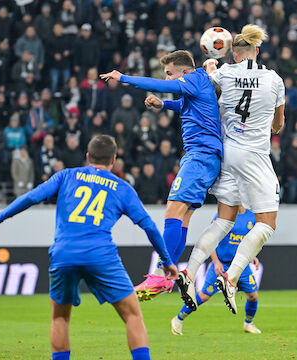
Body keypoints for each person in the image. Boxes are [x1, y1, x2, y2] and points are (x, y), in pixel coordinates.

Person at [0, 135, 178, 360]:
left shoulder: (66, 175)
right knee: (132, 316)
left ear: (88, 157)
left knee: (60, 318)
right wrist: (167, 261)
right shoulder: (122, 188)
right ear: (114, 159)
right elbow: (149, 226)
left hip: (64, 254)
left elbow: (31, 197)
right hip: (101, 255)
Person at [176, 25, 285, 314]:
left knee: (224, 220)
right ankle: (231, 276)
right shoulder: (274, 79)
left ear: (233, 53)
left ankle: (189, 272)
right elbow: (278, 125)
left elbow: (204, 93)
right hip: (254, 156)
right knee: (267, 223)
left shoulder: (223, 74)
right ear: (257, 51)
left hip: (227, 153)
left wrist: (211, 66)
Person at [100, 50, 222, 301]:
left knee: (172, 211)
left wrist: (123, 78)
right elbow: (188, 106)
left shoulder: (196, 79)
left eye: (169, 74)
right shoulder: (198, 84)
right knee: (183, 216)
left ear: (184, 72)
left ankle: (159, 273)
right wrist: (164, 104)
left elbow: (155, 84)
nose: (166, 80)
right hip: (205, 157)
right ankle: (168, 276)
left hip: (200, 156)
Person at [172, 208, 261, 336]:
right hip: (222, 263)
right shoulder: (225, 213)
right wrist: (216, 261)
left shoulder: (251, 216)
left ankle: (248, 323)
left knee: (253, 296)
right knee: (204, 296)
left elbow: (248, 241)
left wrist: (252, 256)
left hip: (240, 264)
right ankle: (178, 319)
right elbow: (211, 239)